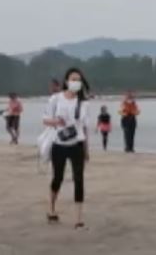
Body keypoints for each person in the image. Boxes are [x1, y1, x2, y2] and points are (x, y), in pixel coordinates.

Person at [43, 68, 92, 230]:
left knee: (79, 180)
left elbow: (85, 127)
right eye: (73, 79)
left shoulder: (83, 103)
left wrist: (86, 149)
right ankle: (51, 208)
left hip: (77, 144)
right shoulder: (56, 99)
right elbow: (45, 120)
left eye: (78, 80)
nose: (76, 82)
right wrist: (57, 122)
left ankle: (78, 219)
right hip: (59, 144)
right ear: (66, 81)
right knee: (58, 177)